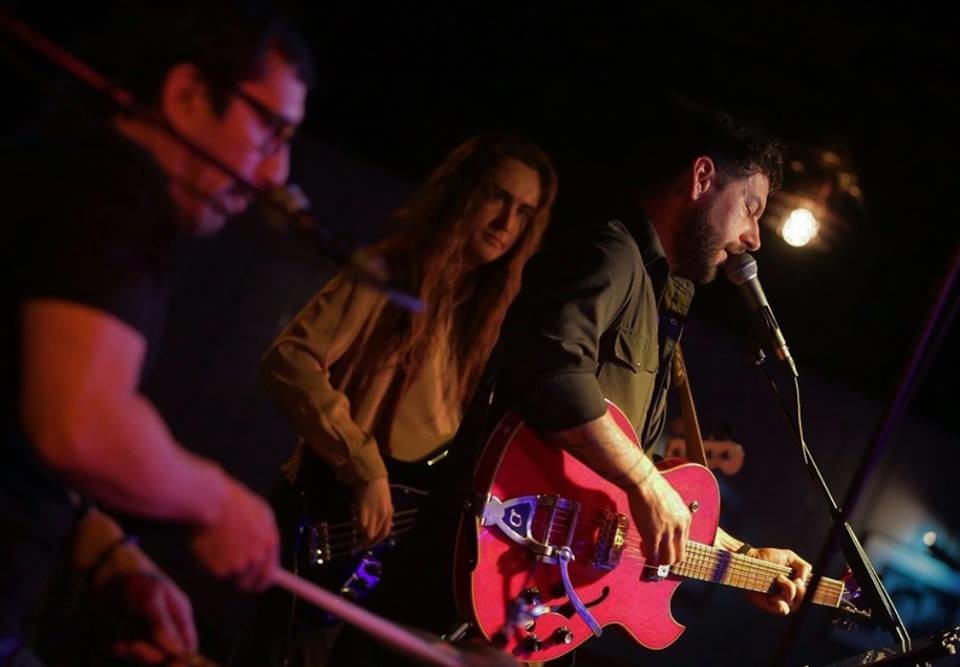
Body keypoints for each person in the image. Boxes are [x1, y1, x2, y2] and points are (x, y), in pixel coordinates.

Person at [328, 107, 815, 666]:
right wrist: (644, 482)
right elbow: (552, 370)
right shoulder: (608, 250)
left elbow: (642, 490)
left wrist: (744, 558)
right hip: (475, 569)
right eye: (750, 208)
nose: (753, 237)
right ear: (702, 178)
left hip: (537, 597)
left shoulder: (662, 300)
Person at [2, 4, 312, 663]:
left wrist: (106, 552)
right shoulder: (112, 188)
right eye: (270, 130)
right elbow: (78, 425)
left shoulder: (79, 174)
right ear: (187, 95)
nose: (277, 173)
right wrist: (216, 502)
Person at [255, 134, 557, 665]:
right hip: (326, 519)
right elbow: (290, 360)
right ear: (463, 193)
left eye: (524, 213)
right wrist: (365, 469)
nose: (506, 222)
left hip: (386, 552)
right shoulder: (388, 272)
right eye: (497, 197)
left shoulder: (485, 316)